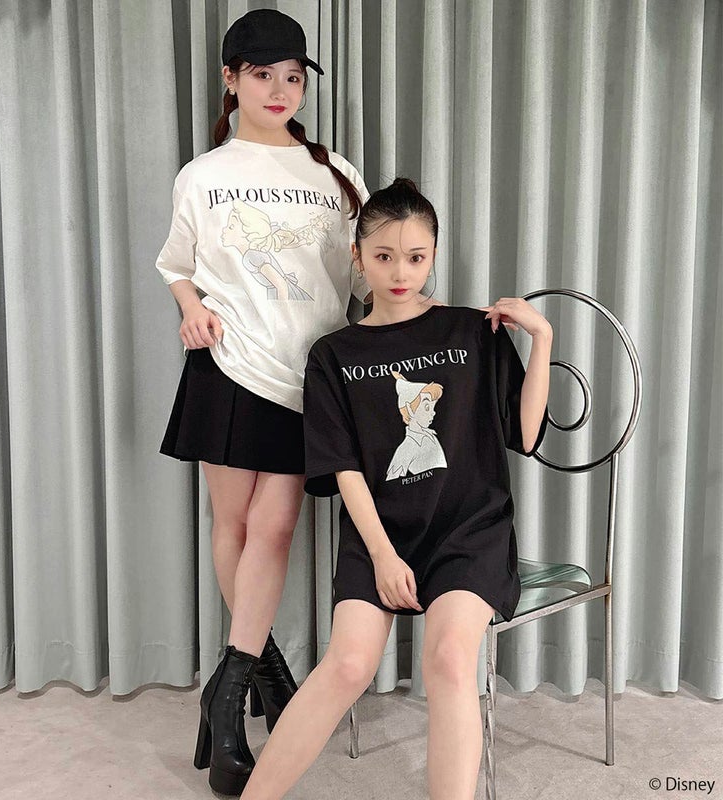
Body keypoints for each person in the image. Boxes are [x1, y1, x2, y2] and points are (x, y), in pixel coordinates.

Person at [155, 9, 434, 797]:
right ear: (231, 78)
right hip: (226, 364)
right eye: (263, 75)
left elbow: (369, 268)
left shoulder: (336, 173)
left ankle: (227, 694)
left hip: (307, 372)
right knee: (234, 526)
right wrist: (188, 307)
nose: (280, 90)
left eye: (292, 77)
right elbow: (177, 263)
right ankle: (260, 677)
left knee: (273, 527)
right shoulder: (204, 173)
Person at [240, 178, 551, 800]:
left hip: (469, 531)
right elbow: (343, 467)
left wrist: (541, 339)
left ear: (433, 255)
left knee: (449, 661)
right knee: (348, 664)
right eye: (384, 257)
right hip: (379, 533)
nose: (401, 272)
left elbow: (525, 432)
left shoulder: (473, 332)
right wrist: (382, 555)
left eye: (416, 257)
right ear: (358, 258)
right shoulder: (333, 355)